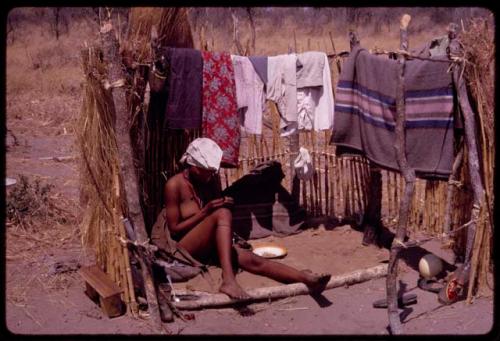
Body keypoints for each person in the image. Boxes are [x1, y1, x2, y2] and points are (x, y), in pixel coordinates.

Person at [162, 137, 331, 299]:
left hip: (209, 243)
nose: (209, 175)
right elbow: (175, 229)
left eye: (211, 172)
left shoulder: (209, 181)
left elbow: (216, 214)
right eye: (205, 171)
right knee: (222, 214)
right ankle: (228, 280)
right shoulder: (174, 185)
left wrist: (223, 204)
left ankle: (303, 277)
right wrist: (206, 211)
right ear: (192, 166)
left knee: (252, 260)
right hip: (185, 248)